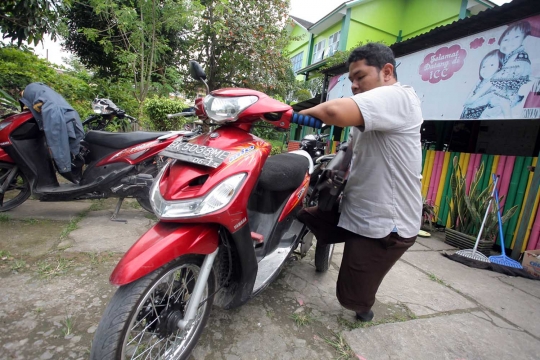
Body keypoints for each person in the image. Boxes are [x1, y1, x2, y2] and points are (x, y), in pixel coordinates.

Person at [297, 43, 423, 322]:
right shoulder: (371, 115)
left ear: (387, 71)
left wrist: (285, 111)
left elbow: (333, 113)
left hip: (386, 224)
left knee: (350, 297)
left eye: (360, 76)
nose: (353, 85)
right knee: (302, 213)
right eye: (350, 80)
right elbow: (348, 154)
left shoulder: (399, 98)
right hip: (357, 208)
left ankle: (364, 308)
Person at [490, 21, 532, 118]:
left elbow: (501, 79)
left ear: (525, 39)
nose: (509, 42)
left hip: (508, 100)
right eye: (506, 39)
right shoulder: (508, 57)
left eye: (516, 37)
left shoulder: (520, 57)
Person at [460, 50, 503, 119]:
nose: (486, 69)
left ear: (499, 67)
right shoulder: (480, 82)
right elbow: (468, 100)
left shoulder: (494, 83)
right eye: (483, 66)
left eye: (492, 65)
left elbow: (471, 100)